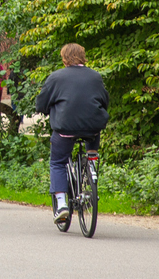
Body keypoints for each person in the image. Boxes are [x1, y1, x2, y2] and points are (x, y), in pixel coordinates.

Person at [35, 43, 110, 224]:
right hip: (92, 127)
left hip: (65, 128)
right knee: (93, 128)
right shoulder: (95, 76)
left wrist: (48, 110)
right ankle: (91, 163)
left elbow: (41, 104)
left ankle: (61, 204)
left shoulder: (56, 77)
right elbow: (104, 101)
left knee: (58, 162)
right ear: (83, 56)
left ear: (64, 58)